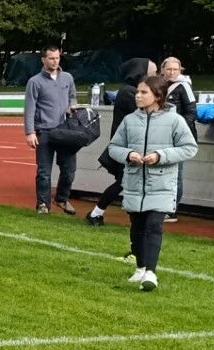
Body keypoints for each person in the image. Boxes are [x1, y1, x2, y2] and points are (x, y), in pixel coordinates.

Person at [103, 75, 197, 290]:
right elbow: (114, 147)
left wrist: (160, 156)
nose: (138, 96)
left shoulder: (175, 120)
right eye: (138, 91)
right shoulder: (130, 120)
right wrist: (129, 155)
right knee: (137, 227)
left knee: (154, 225)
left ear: (158, 95)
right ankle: (140, 267)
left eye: (143, 92)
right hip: (135, 183)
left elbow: (189, 148)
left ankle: (151, 273)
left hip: (162, 184)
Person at [86, 58, 153, 228]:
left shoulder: (129, 91)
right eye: (152, 73)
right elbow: (144, 113)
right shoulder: (129, 92)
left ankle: (99, 213)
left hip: (129, 145)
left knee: (127, 182)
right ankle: (96, 213)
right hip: (127, 146)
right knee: (124, 182)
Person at [23, 46, 79, 215]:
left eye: (57, 58)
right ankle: (43, 204)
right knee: (44, 172)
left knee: (69, 169)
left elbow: (73, 97)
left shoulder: (67, 78)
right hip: (44, 131)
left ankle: (61, 198)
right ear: (43, 60)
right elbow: (29, 108)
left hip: (65, 131)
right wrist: (30, 132)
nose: (55, 61)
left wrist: (72, 106)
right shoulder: (34, 82)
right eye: (51, 58)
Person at [160, 58, 197, 220]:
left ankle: (171, 209)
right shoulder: (159, 85)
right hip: (160, 134)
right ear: (162, 69)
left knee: (176, 173)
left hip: (177, 137)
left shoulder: (184, 86)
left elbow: (192, 113)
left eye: (175, 69)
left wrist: (177, 129)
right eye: (169, 69)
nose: (172, 72)